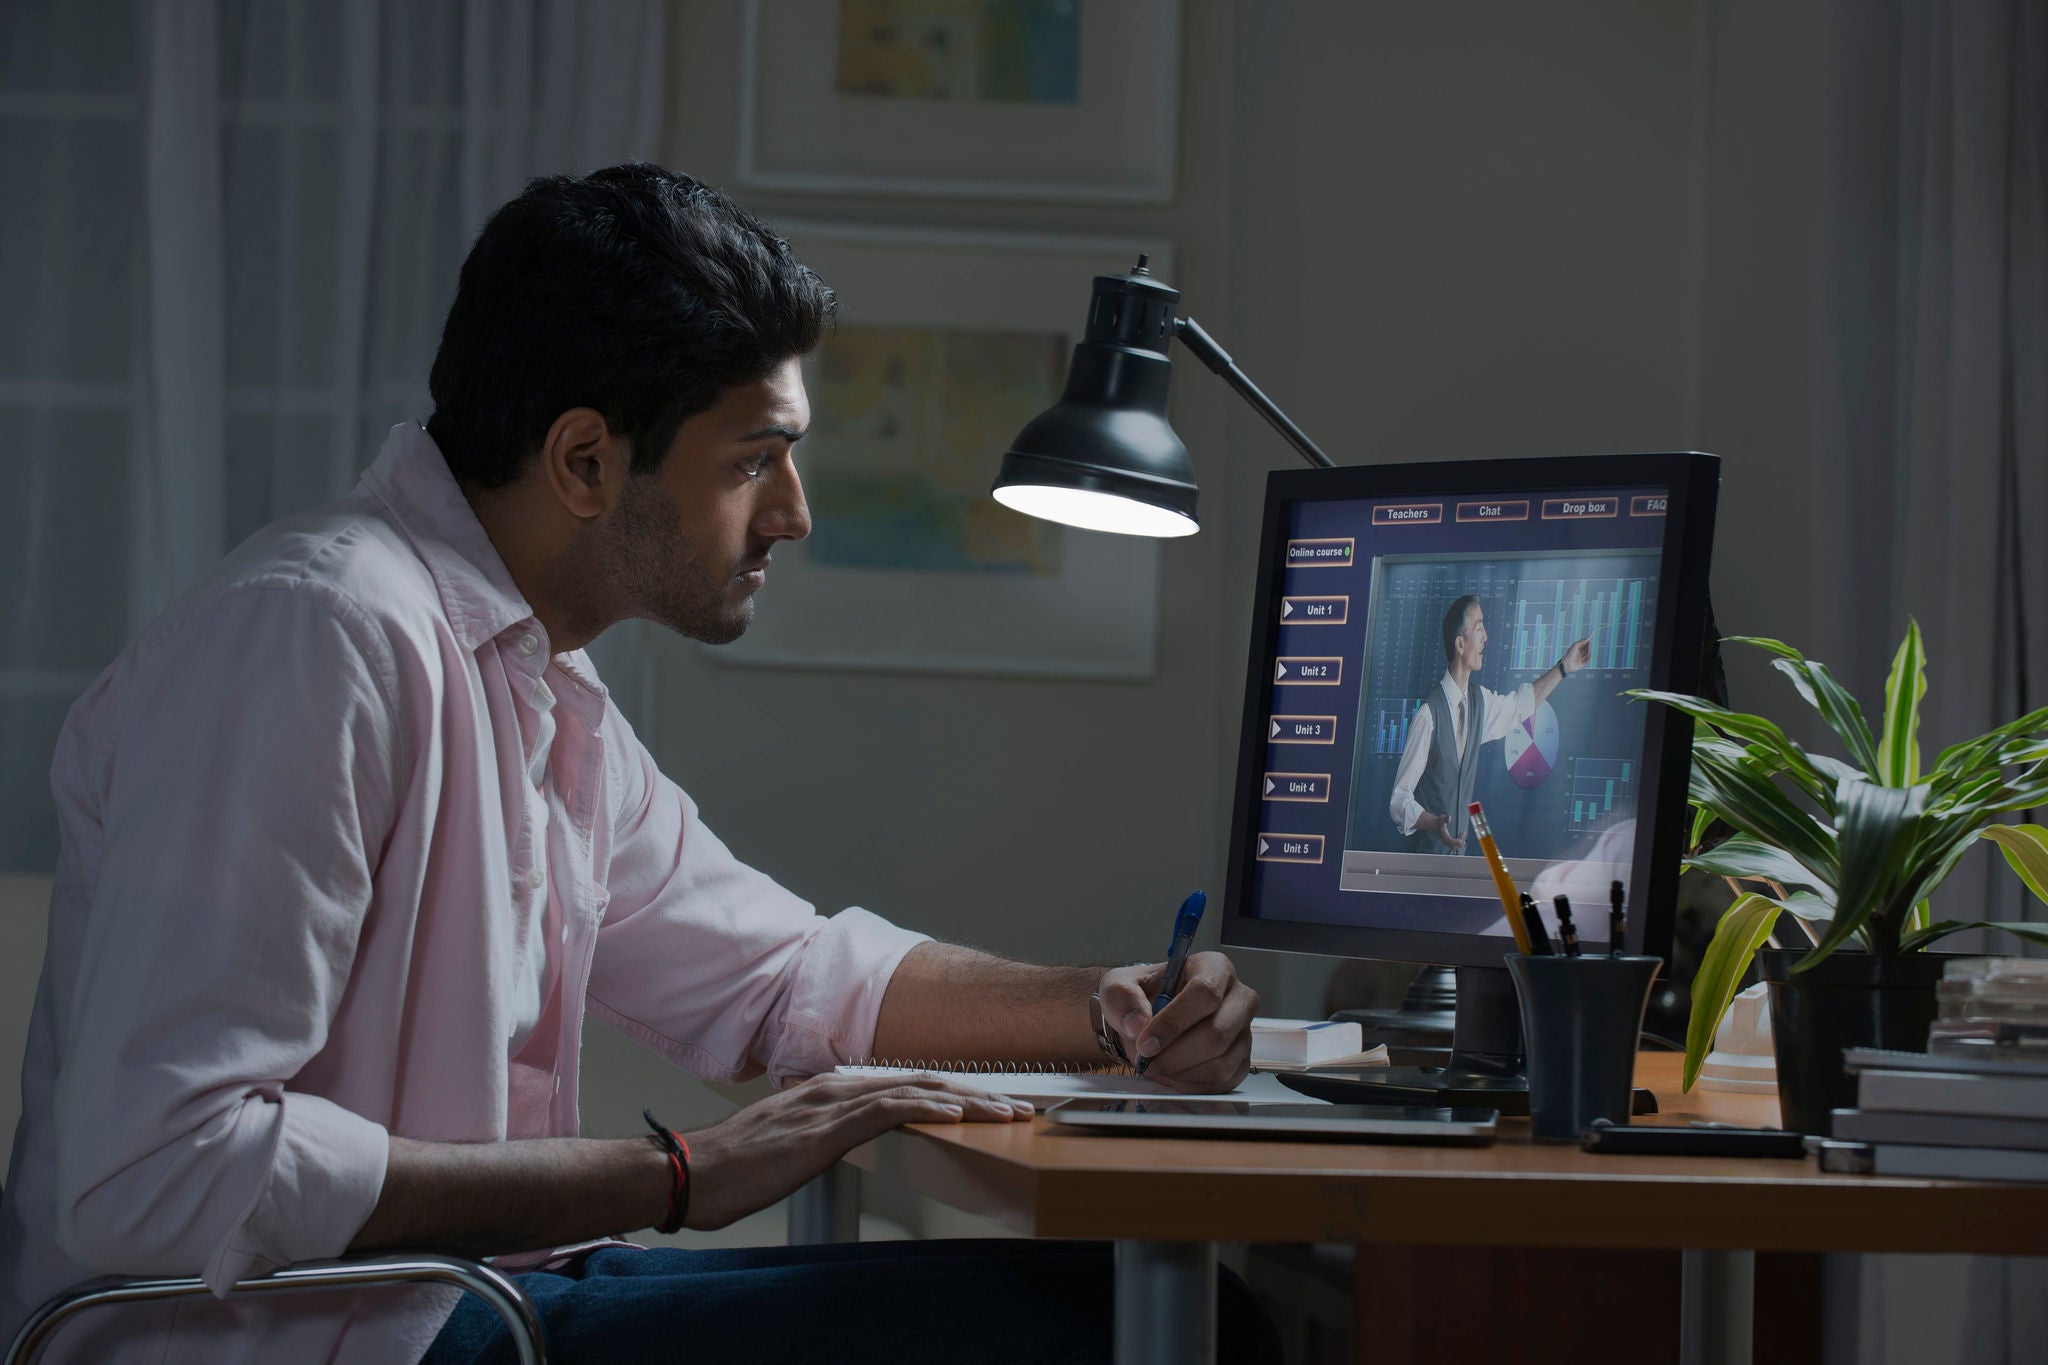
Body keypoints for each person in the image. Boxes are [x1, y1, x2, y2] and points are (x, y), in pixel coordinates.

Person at [0, 165, 1278, 1365]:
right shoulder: (317, 638)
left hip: (443, 1302)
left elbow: (784, 977)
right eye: (753, 460)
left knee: (1142, 1312)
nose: (792, 512)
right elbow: (155, 1173)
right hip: (288, 1339)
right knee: (1128, 1331)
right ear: (584, 461)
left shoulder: (533, 678)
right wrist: (678, 1175)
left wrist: (1111, 1008)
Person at [1387, 594, 1592, 854]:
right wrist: (1433, 823)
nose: (1485, 637)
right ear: (1460, 644)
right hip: (1425, 862)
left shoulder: (1479, 702)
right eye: (1479, 628)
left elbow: (1521, 705)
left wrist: (1564, 667)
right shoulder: (1429, 714)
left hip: (1457, 864)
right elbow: (1399, 801)